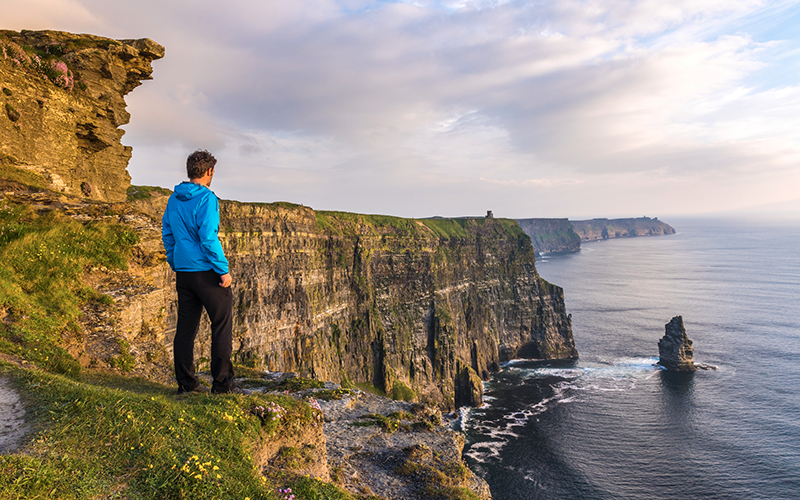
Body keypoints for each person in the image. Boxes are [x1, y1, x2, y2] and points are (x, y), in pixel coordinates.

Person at [162, 149, 235, 394]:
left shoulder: (174, 199)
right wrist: (223, 270)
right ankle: (222, 385)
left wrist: (174, 260)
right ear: (209, 171)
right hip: (206, 272)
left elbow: (168, 233)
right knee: (221, 325)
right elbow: (208, 237)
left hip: (184, 272)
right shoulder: (207, 198)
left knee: (185, 329)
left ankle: (187, 384)